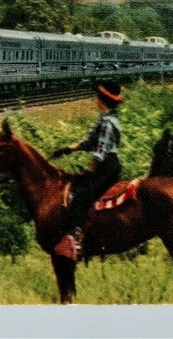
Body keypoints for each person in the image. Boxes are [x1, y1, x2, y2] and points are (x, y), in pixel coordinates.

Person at [49, 81, 124, 261]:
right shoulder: (105, 119)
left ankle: (75, 239)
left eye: (97, 98)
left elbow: (100, 150)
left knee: (81, 196)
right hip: (106, 163)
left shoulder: (107, 123)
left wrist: (91, 169)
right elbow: (90, 142)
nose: (95, 100)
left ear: (103, 101)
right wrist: (69, 149)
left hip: (106, 165)